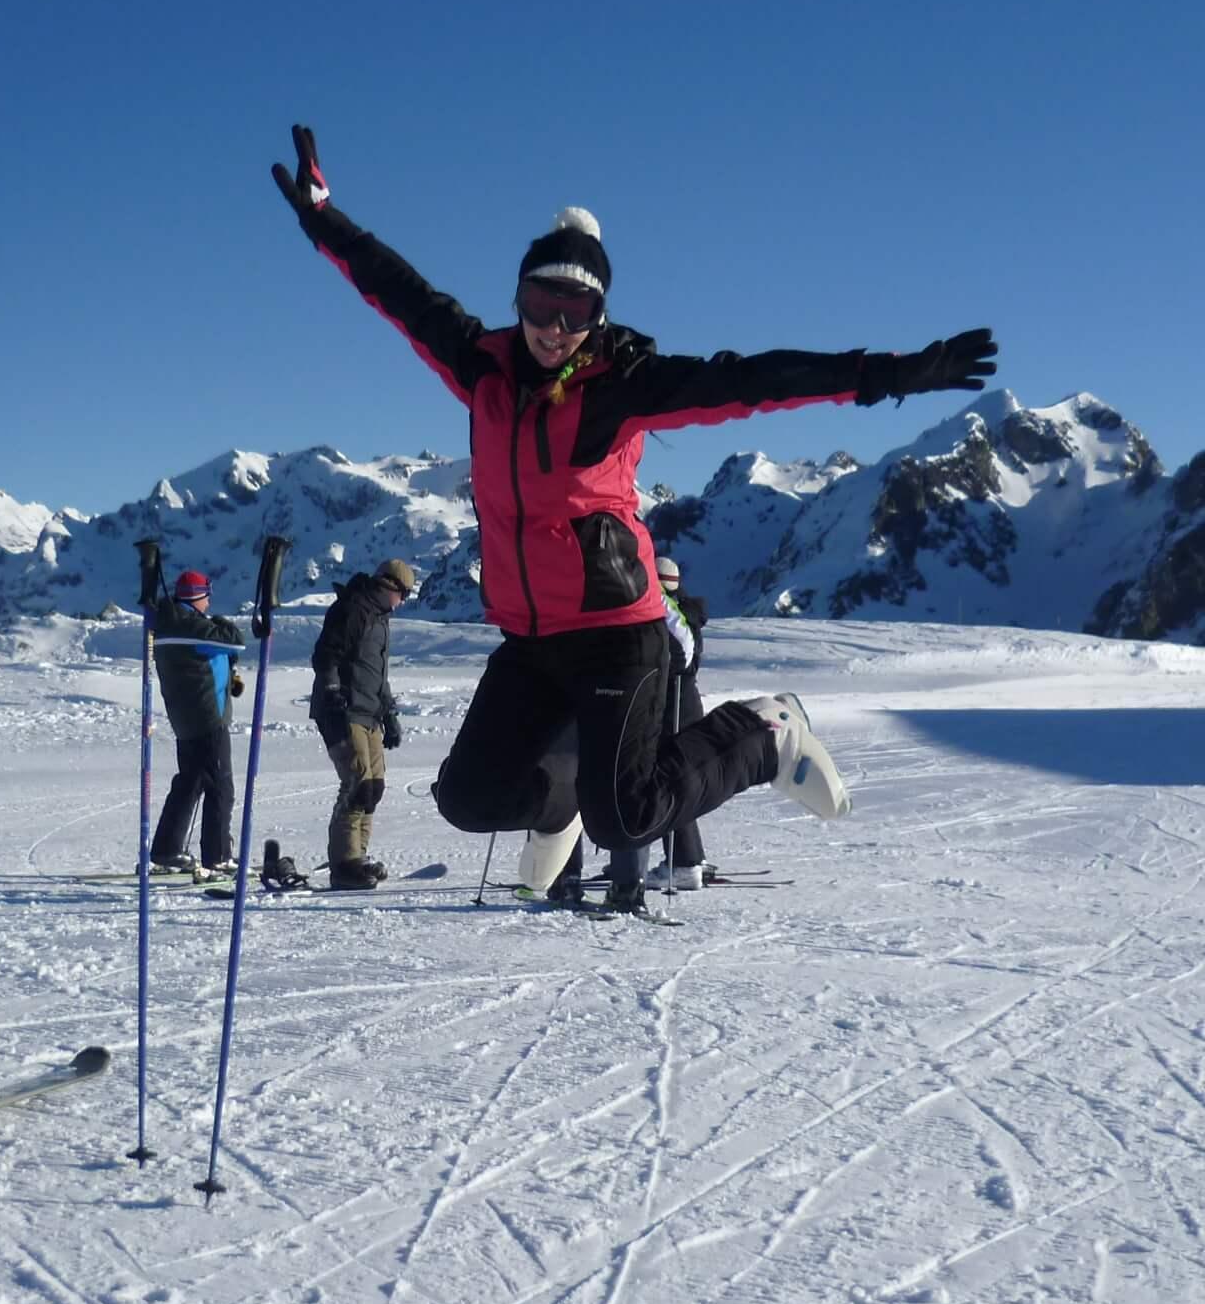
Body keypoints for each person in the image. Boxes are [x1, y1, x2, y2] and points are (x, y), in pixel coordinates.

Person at [270, 122, 996, 861]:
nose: (555, 328)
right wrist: (323, 219)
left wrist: (885, 374)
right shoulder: (480, 368)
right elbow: (398, 288)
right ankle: (567, 801)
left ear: (599, 316)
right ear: (517, 298)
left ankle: (767, 734)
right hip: (532, 638)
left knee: (629, 816)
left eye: (577, 313)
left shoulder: (621, 386)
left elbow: (753, 380)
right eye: (540, 303)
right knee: (468, 799)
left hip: (618, 628)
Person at [310, 557, 416, 890]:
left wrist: (390, 714)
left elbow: (376, 675)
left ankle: (359, 856)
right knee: (357, 784)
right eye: (405, 595)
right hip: (344, 711)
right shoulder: (353, 609)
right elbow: (326, 654)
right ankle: (344, 864)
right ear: (390, 586)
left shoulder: (379, 618)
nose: (403, 602)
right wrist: (331, 691)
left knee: (374, 788)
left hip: (369, 713)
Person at [149, 569, 243, 873]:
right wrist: (221, 623)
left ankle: (168, 849)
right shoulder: (190, 625)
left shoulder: (169, 623)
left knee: (190, 782)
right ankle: (217, 855)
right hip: (207, 715)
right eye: (207, 595)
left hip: (185, 716)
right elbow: (235, 642)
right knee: (220, 786)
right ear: (199, 596)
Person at [645, 555, 710, 890]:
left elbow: (679, 659)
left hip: (671, 707)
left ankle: (682, 862)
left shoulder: (668, 613)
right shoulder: (687, 610)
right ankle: (690, 856)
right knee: (677, 783)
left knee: (665, 785)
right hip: (685, 705)